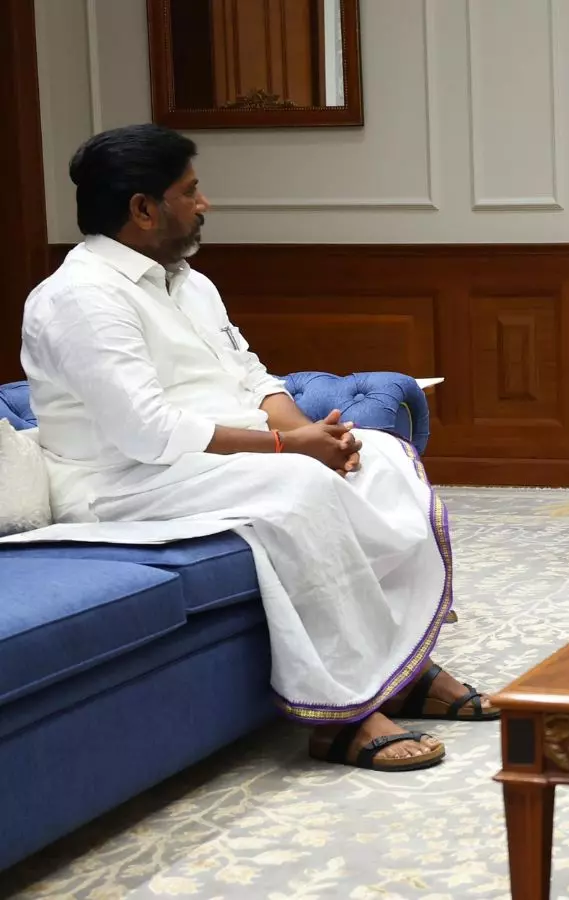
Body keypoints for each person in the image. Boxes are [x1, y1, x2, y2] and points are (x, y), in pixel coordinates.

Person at [17, 124, 498, 772]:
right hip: (122, 481)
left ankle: (403, 670)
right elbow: (147, 431)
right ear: (143, 208)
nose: (205, 203)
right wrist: (289, 449)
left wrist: (319, 436)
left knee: (379, 455)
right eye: (190, 191)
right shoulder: (80, 298)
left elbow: (250, 376)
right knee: (301, 487)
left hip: (212, 461)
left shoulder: (189, 283)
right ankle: (346, 714)